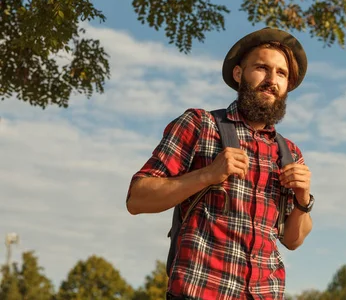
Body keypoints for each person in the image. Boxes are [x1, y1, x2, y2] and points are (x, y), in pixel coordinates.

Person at [126, 27, 314, 300]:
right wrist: (208, 174)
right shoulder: (200, 125)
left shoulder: (290, 154)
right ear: (239, 74)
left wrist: (303, 198)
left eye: (281, 73)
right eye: (262, 68)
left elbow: (293, 240)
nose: (272, 80)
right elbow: (137, 199)